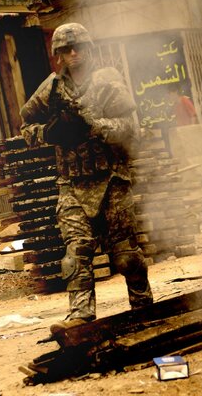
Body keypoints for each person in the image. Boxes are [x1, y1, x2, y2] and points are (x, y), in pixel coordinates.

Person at [19, 23, 153, 333]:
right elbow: (25, 126)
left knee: (125, 254)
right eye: (66, 49)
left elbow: (132, 127)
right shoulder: (51, 89)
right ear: (58, 55)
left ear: (89, 48)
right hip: (72, 185)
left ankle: (143, 305)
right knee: (76, 252)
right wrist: (49, 133)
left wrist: (96, 125)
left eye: (78, 46)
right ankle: (80, 316)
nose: (74, 53)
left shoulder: (107, 82)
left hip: (110, 180)